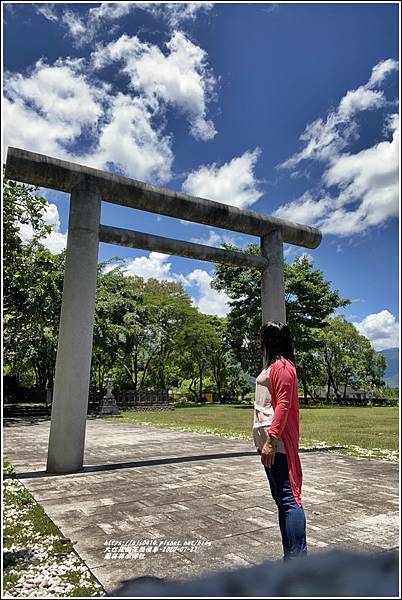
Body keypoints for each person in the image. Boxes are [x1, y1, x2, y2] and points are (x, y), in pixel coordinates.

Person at [253, 320, 307, 561]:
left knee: (289, 498)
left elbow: (283, 405)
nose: (259, 342)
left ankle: (297, 558)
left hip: (278, 445)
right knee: (281, 499)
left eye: (261, 337)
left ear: (270, 340)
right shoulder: (275, 365)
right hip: (271, 445)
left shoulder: (283, 366)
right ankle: (291, 556)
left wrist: (271, 441)